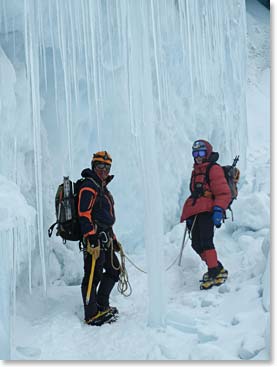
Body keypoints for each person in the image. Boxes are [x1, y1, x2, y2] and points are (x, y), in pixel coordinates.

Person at [180, 139, 231, 290]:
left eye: (201, 153)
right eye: (195, 153)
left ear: (207, 153)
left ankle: (213, 271)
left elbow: (223, 192)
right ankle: (216, 266)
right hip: (196, 212)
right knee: (196, 243)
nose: (198, 156)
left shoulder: (213, 169)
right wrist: (189, 217)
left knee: (206, 241)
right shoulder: (195, 172)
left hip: (208, 211)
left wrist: (218, 210)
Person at [78, 151, 121, 325]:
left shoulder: (101, 187)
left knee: (114, 269)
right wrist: (91, 237)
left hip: (105, 237)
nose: (104, 170)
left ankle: (102, 304)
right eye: (100, 166)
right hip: (94, 239)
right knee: (92, 275)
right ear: (93, 166)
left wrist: (114, 239)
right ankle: (91, 313)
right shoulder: (89, 185)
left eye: (107, 167)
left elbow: (106, 219)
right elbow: (83, 213)